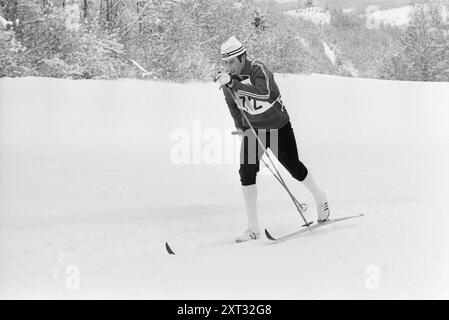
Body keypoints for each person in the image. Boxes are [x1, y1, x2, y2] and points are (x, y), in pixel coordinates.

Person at [216, 36, 330, 243]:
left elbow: (265, 94)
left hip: (278, 127)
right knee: (246, 170)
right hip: (255, 130)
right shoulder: (228, 81)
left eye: (232, 61)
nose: (228, 66)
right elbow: (232, 105)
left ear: (242, 58)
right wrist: (240, 127)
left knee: (294, 168)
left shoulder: (258, 69)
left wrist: (234, 83)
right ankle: (253, 228)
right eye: (225, 62)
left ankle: (319, 197)